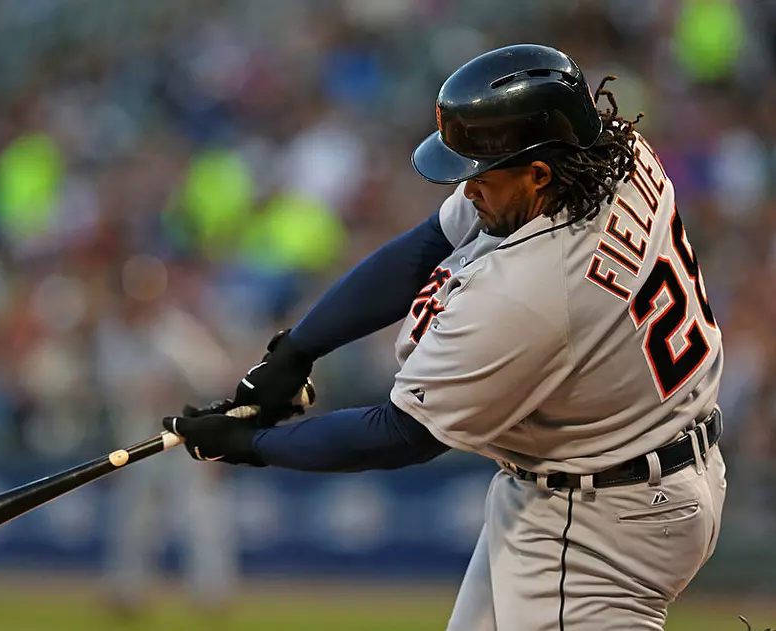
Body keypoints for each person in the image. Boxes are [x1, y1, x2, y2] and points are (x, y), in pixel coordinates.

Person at [165, 44, 726, 631]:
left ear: (537, 172)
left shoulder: (529, 291)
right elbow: (430, 242)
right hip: (636, 469)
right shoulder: (615, 156)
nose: (468, 187)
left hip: (598, 521)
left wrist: (251, 444)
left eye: (481, 173)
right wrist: (298, 349)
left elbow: (402, 433)